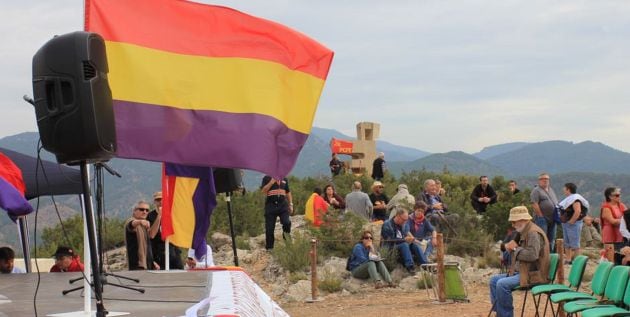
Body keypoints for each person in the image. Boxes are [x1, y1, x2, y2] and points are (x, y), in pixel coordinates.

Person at [489, 206, 550, 317]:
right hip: (523, 271)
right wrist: (508, 248)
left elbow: (532, 255)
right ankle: (500, 313)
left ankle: (505, 315)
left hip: (533, 274)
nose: (512, 225)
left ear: (523, 220)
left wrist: (515, 249)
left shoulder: (533, 233)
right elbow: (511, 247)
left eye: (514, 221)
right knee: (494, 280)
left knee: (502, 284)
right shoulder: (523, 231)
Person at [380, 206, 424, 275]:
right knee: (404, 245)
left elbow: (407, 233)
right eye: (403, 219)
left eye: (406, 220)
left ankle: (425, 263)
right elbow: (389, 240)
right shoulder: (387, 224)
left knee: (415, 245)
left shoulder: (404, 224)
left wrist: (411, 239)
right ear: (397, 216)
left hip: (402, 245)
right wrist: (404, 240)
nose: (405, 222)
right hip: (390, 248)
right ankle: (410, 267)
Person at [147, 191, 183, 270]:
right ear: (154, 202)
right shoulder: (150, 216)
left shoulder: (172, 213)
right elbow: (152, 235)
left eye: (162, 199)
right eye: (158, 200)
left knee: (179, 272)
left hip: (173, 250)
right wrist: (159, 215)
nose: (160, 202)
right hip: (159, 252)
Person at [558, 183, 589, 263]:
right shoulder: (570, 198)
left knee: (575, 242)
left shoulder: (575, 199)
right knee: (567, 242)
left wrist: (572, 221)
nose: (563, 190)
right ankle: (568, 259)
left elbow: (577, 211)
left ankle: (576, 260)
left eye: (564, 188)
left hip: (573, 224)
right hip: (566, 222)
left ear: (568, 189)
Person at [261, 176, 293, 250]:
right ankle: (269, 248)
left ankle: (287, 241)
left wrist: (291, 204)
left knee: (287, 222)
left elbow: (288, 192)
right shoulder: (266, 178)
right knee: (269, 228)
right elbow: (263, 191)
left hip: (283, 205)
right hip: (270, 205)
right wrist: (271, 182)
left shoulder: (284, 178)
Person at [125, 200, 158, 270]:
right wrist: (140, 221)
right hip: (137, 265)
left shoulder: (144, 226)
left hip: (147, 264)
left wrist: (159, 216)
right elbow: (131, 224)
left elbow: (152, 235)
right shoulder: (132, 221)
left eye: (147, 210)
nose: (145, 212)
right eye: (141, 209)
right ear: (134, 211)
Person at [530, 172, 559, 252]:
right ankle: (542, 255)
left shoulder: (551, 190)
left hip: (553, 219)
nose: (545, 180)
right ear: (539, 180)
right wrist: (540, 216)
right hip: (542, 219)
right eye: (543, 179)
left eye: (547, 179)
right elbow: (534, 203)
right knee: (542, 238)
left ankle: (550, 255)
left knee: (551, 239)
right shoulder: (536, 191)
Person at [600, 187, 626, 255]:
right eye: (617, 195)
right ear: (610, 197)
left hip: (620, 233)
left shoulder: (621, 205)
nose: (619, 196)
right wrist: (624, 221)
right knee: (611, 255)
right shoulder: (606, 207)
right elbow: (612, 221)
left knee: (621, 253)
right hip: (610, 233)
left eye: (619, 195)